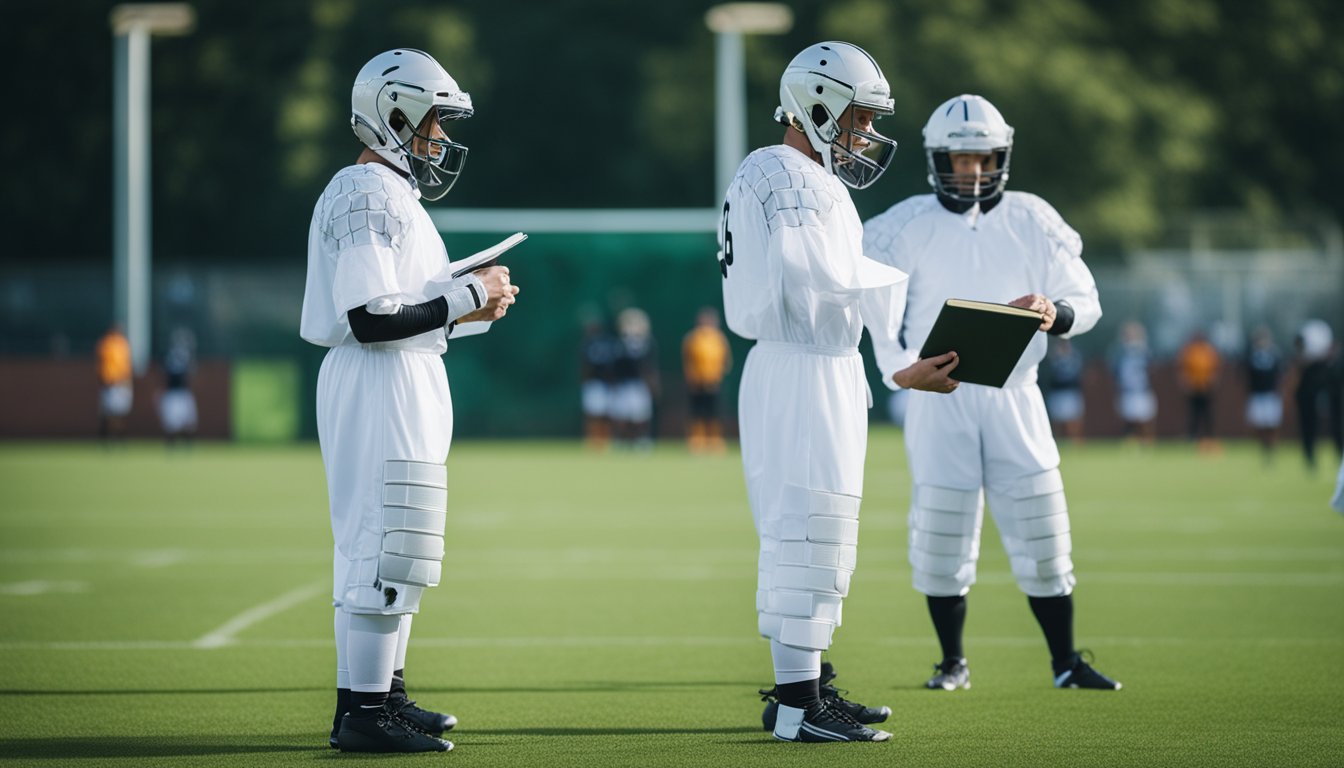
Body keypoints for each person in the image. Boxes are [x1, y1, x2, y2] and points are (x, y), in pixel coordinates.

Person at [723, 41, 960, 744]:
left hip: (814, 363)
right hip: (801, 365)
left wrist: (894, 359)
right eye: (856, 116)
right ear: (817, 105)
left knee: (821, 528)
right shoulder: (787, 172)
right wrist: (902, 335)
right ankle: (798, 706)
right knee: (805, 528)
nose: (864, 132)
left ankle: (804, 684)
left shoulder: (790, 173)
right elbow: (816, 276)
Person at [300, 48, 519, 754]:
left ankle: (378, 695)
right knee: (383, 539)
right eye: (432, 124)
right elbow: (370, 318)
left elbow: (403, 309)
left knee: (402, 540)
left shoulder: (394, 194)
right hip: (376, 378)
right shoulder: (364, 191)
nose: (441, 140)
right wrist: (465, 295)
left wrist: (465, 310)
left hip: (401, 374)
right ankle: (365, 711)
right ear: (393, 116)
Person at [863, 94, 1122, 695]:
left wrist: (1052, 312)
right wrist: (901, 371)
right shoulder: (903, 224)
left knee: (1043, 529)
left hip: (1017, 395)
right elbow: (875, 315)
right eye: (959, 160)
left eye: (983, 158)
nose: (972, 172)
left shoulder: (1033, 216)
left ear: (1001, 156)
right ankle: (951, 661)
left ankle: (1065, 661)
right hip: (937, 397)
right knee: (941, 533)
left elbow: (1086, 299)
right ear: (937, 159)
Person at [682, 306, 732, 453]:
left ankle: (715, 440)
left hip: (714, 382)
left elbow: (726, 360)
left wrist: (719, 376)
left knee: (714, 412)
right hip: (697, 382)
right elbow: (688, 360)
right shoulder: (693, 338)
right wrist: (692, 378)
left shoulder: (719, 338)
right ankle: (697, 440)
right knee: (697, 412)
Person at [1293, 319, 1342, 470]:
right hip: (1309, 394)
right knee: (1309, 424)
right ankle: (1310, 457)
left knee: (1338, 425)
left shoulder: (1332, 368)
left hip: (1329, 393)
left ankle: (1340, 455)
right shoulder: (1307, 370)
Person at [609, 307, 659, 448]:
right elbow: (616, 365)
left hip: (640, 384)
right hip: (624, 383)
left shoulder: (648, 343)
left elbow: (650, 366)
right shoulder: (619, 344)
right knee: (623, 415)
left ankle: (641, 440)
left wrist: (652, 383)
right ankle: (623, 440)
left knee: (640, 415)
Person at [1112, 321, 1157, 444]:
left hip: (1142, 389)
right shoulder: (1120, 352)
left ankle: (1147, 441)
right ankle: (1131, 441)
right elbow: (1115, 371)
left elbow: (1151, 369)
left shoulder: (1145, 351)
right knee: (1128, 418)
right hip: (1127, 389)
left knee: (1145, 417)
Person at [1244, 327, 1283, 463]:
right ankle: (1264, 448)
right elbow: (1246, 374)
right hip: (1257, 394)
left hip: (1270, 394)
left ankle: (1271, 450)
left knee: (1272, 424)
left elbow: (1280, 373)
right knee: (1259, 424)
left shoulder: (1274, 354)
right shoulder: (1251, 355)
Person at [579, 314, 618, 449]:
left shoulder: (606, 342)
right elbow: (585, 365)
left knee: (605, 413)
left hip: (605, 383)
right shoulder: (587, 343)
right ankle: (593, 440)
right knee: (592, 413)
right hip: (593, 382)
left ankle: (604, 439)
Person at [1178, 330, 1220, 449]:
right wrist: (1185, 382)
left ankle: (1209, 437)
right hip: (1193, 386)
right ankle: (1192, 436)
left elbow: (1215, 367)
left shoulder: (1208, 350)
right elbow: (1183, 368)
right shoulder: (1189, 350)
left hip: (1206, 386)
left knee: (1208, 413)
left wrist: (1212, 381)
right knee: (1193, 414)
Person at [158, 327, 198, 447]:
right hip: (174, 392)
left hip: (180, 392)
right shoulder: (173, 355)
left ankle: (185, 445)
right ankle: (175, 445)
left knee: (187, 421)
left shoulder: (177, 355)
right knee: (174, 423)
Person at [95, 324, 133, 442]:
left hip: (121, 383)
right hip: (110, 383)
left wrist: (127, 382)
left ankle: (119, 437)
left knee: (121, 412)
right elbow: (102, 365)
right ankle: (107, 437)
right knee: (108, 412)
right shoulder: (106, 344)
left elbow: (126, 366)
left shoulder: (123, 344)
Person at [1044, 337, 1086, 444]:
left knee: (1073, 419)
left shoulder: (1074, 356)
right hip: (1057, 392)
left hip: (1071, 391)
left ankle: (1076, 442)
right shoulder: (1054, 357)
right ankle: (1057, 441)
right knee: (1057, 419)